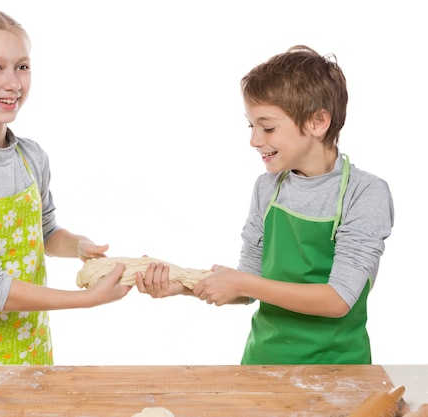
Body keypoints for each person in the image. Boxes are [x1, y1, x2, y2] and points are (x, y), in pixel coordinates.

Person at [136, 45, 394, 365]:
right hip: (263, 365)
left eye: (268, 127)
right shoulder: (267, 189)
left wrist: (243, 282)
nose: (255, 140)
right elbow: (248, 282)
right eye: (251, 126)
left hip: (340, 373)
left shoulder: (364, 193)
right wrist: (182, 283)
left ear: (317, 122)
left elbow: (338, 299)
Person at [0, 9, 132, 366]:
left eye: (22, 66)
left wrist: (78, 245)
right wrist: (87, 300)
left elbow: (45, 231)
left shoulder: (31, 158)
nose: (13, 83)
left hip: (29, 349)